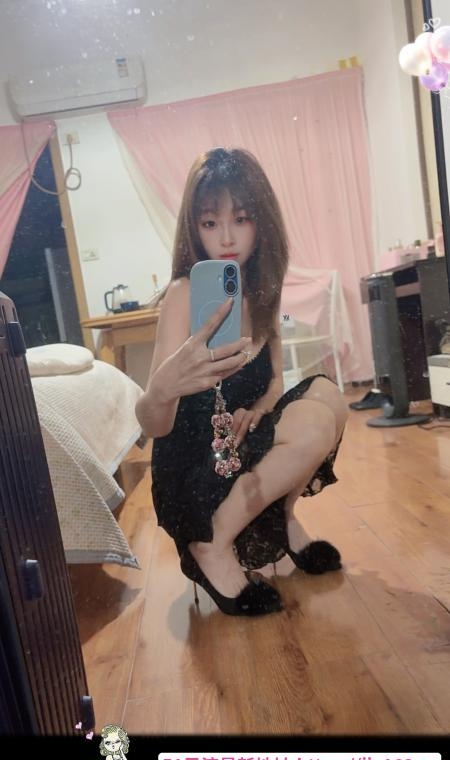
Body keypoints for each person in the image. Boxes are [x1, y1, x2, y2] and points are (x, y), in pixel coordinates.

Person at [136, 147, 348, 617]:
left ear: (262, 221)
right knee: (311, 425)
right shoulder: (184, 295)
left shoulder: (263, 291)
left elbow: (274, 380)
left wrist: (261, 409)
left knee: (329, 398)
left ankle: (281, 520)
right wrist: (163, 388)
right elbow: (153, 425)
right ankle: (211, 543)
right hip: (198, 465)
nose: (227, 237)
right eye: (210, 223)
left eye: (242, 218)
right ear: (194, 228)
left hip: (242, 443)